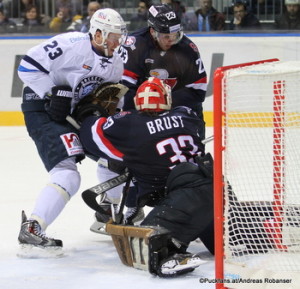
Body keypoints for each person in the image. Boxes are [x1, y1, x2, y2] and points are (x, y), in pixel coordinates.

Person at [77, 77, 214, 277]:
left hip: (187, 195)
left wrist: (91, 114)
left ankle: (170, 256)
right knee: (225, 241)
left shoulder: (129, 125)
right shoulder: (186, 115)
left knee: (149, 245)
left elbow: (92, 137)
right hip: (216, 188)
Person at [17, 8, 127, 251]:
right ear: (98, 34)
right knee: (67, 174)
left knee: (115, 157)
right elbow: (26, 67)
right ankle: (32, 228)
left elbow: (112, 101)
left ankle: (107, 210)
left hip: (74, 114)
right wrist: (51, 92)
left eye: (119, 37)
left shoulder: (116, 63)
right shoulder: (70, 44)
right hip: (42, 109)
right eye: (112, 36)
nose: (117, 42)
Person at [92, 4, 208, 232]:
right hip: (141, 114)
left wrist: (166, 106)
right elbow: (123, 89)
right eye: (166, 35)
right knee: (132, 161)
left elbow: (198, 90)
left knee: (188, 163)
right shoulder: (135, 46)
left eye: (175, 34)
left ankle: (186, 209)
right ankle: (122, 207)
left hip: (179, 115)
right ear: (152, 30)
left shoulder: (188, 49)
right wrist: (145, 111)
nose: (171, 39)